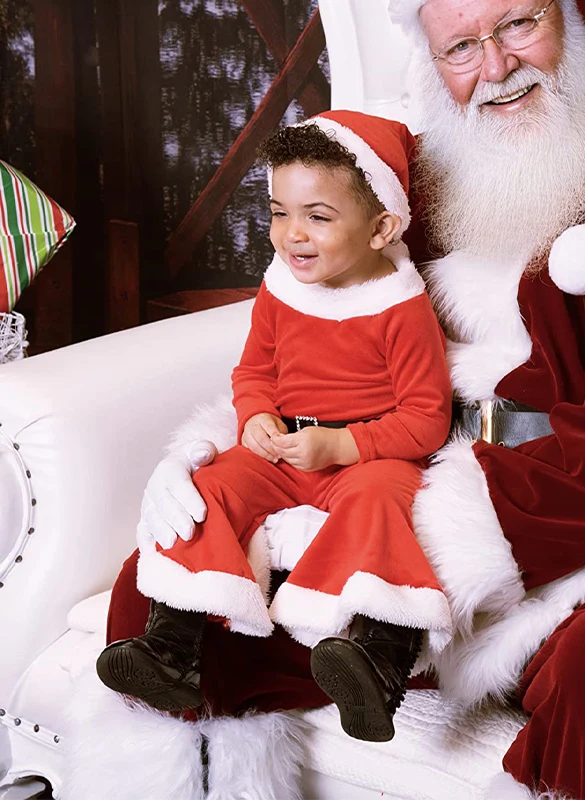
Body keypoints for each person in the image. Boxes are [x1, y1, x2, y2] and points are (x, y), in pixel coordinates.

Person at [72, 1, 585, 798]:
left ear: (582, 19)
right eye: (460, 46)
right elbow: (327, 350)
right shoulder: (417, 177)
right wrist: (233, 455)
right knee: (165, 597)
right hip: (432, 490)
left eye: (520, 24)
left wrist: (407, 562)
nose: (495, 68)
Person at [95, 111, 453, 743]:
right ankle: (174, 643)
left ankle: (377, 655)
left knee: (381, 503)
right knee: (212, 489)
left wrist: (344, 444)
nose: (292, 236)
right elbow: (254, 368)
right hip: (283, 449)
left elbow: (426, 420)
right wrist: (256, 413)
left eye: (318, 216)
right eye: (277, 212)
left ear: (382, 227)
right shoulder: (282, 288)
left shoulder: (400, 307)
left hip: (366, 457)